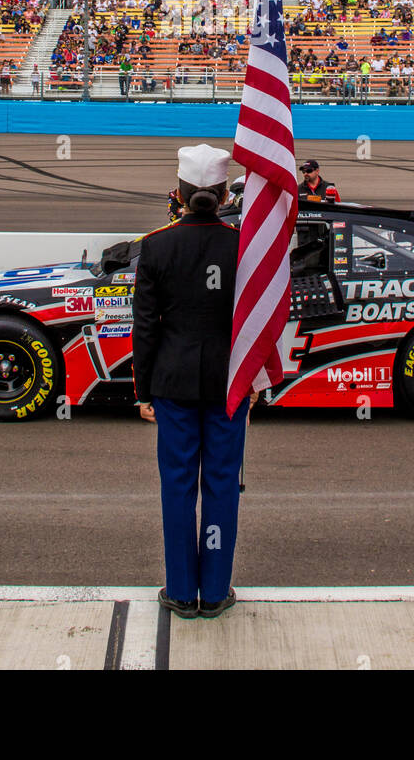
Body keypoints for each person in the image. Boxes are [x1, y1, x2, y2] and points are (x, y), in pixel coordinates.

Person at [132, 144, 249, 620]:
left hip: (173, 382)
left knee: (178, 486)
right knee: (221, 484)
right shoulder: (242, 244)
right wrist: (254, 375)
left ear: (178, 194)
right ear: (223, 194)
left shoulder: (156, 244)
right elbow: (254, 318)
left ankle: (181, 591)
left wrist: (143, 392)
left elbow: (145, 326)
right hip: (228, 383)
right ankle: (216, 591)